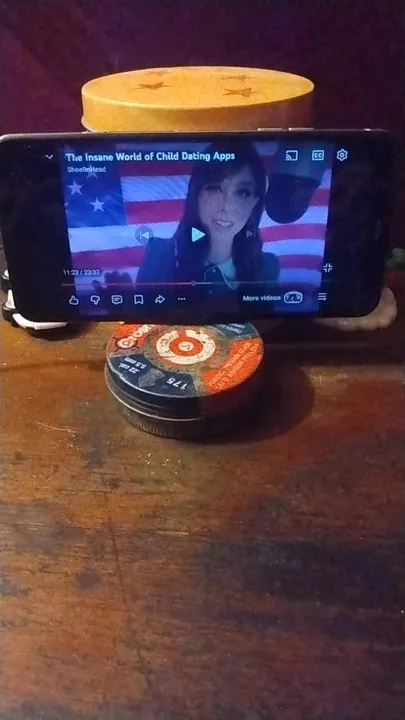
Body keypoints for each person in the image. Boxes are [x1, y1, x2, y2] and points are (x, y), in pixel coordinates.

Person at [136, 140, 279, 307]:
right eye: (215, 188)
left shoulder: (267, 266)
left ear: (254, 202)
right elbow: (144, 316)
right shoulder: (159, 254)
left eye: (242, 192)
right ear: (196, 194)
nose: (226, 206)